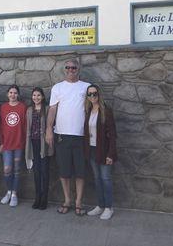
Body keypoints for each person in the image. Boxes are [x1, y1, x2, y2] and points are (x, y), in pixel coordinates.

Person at [45, 58, 90, 216]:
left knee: (80, 172)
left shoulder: (86, 87)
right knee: (64, 171)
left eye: (74, 67)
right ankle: (67, 200)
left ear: (79, 69)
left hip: (80, 136)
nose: (71, 70)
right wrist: (49, 129)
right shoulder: (57, 88)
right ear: (64, 69)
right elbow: (52, 110)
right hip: (62, 135)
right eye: (68, 67)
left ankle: (78, 202)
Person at [83, 84, 118, 220]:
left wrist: (111, 154)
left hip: (104, 151)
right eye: (90, 94)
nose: (92, 96)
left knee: (105, 179)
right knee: (97, 179)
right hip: (91, 150)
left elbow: (113, 135)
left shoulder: (106, 111)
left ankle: (109, 207)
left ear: (99, 94)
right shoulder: (88, 110)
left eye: (95, 93)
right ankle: (100, 205)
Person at [0, 85, 27, 207]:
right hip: (7, 144)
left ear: (18, 94)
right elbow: (0, 126)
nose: (13, 95)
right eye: (10, 92)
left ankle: (14, 194)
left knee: (16, 170)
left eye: (15, 93)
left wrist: (25, 143)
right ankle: (8, 191)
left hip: (19, 143)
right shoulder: (3, 107)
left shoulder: (23, 107)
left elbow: (25, 126)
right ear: (7, 94)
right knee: (7, 169)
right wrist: (1, 142)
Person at [25, 87, 54, 210]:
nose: (36, 97)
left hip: (44, 144)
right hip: (33, 143)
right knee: (36, 171)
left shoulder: (47, 109)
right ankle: (37, 197)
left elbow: (51, 126)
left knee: (44, 172)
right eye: (34, 95)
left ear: (42, 97)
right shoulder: (29, 110)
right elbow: (28, 128)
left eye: (38, 95)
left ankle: (44, 199)